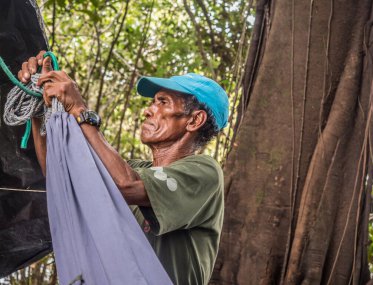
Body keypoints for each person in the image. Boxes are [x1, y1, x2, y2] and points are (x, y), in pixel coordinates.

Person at [18, 50, 229, 285]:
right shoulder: (136, 169)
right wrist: (39, 107)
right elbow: (61, 176)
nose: (149, 110)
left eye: (163, 102)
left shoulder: (205, 171)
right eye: (152, 102)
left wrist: (79, 110)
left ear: (194, 120)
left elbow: (126, 184)